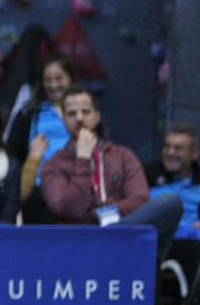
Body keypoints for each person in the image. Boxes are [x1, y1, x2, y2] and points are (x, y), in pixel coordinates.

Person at [41, 87, 182, 264]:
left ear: (96, 117)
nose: (79, 118)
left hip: (123, 237)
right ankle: (114, 242)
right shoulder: (52, 165)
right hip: (80, 244)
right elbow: (71, 210)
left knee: (171, 202)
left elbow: (139, 201)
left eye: (85, 111)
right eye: (71, 113)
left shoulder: (123, 156)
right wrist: (83, 158)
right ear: (63, 121)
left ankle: (112, 238)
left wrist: (95, 216)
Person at [144, 124, 200, 305]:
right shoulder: (146, 176)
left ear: (194, 153)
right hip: (161, 243)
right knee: (194, 250)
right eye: (167, 146)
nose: (170, 153)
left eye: (178, 148)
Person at [4, 55, 75, 224]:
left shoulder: (83, 113)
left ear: (70, 78)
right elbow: (12, 153)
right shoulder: (28, 114)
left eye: (59, 78)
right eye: (48, 80)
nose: (53, 84)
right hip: (37, 191)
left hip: (75, 188)